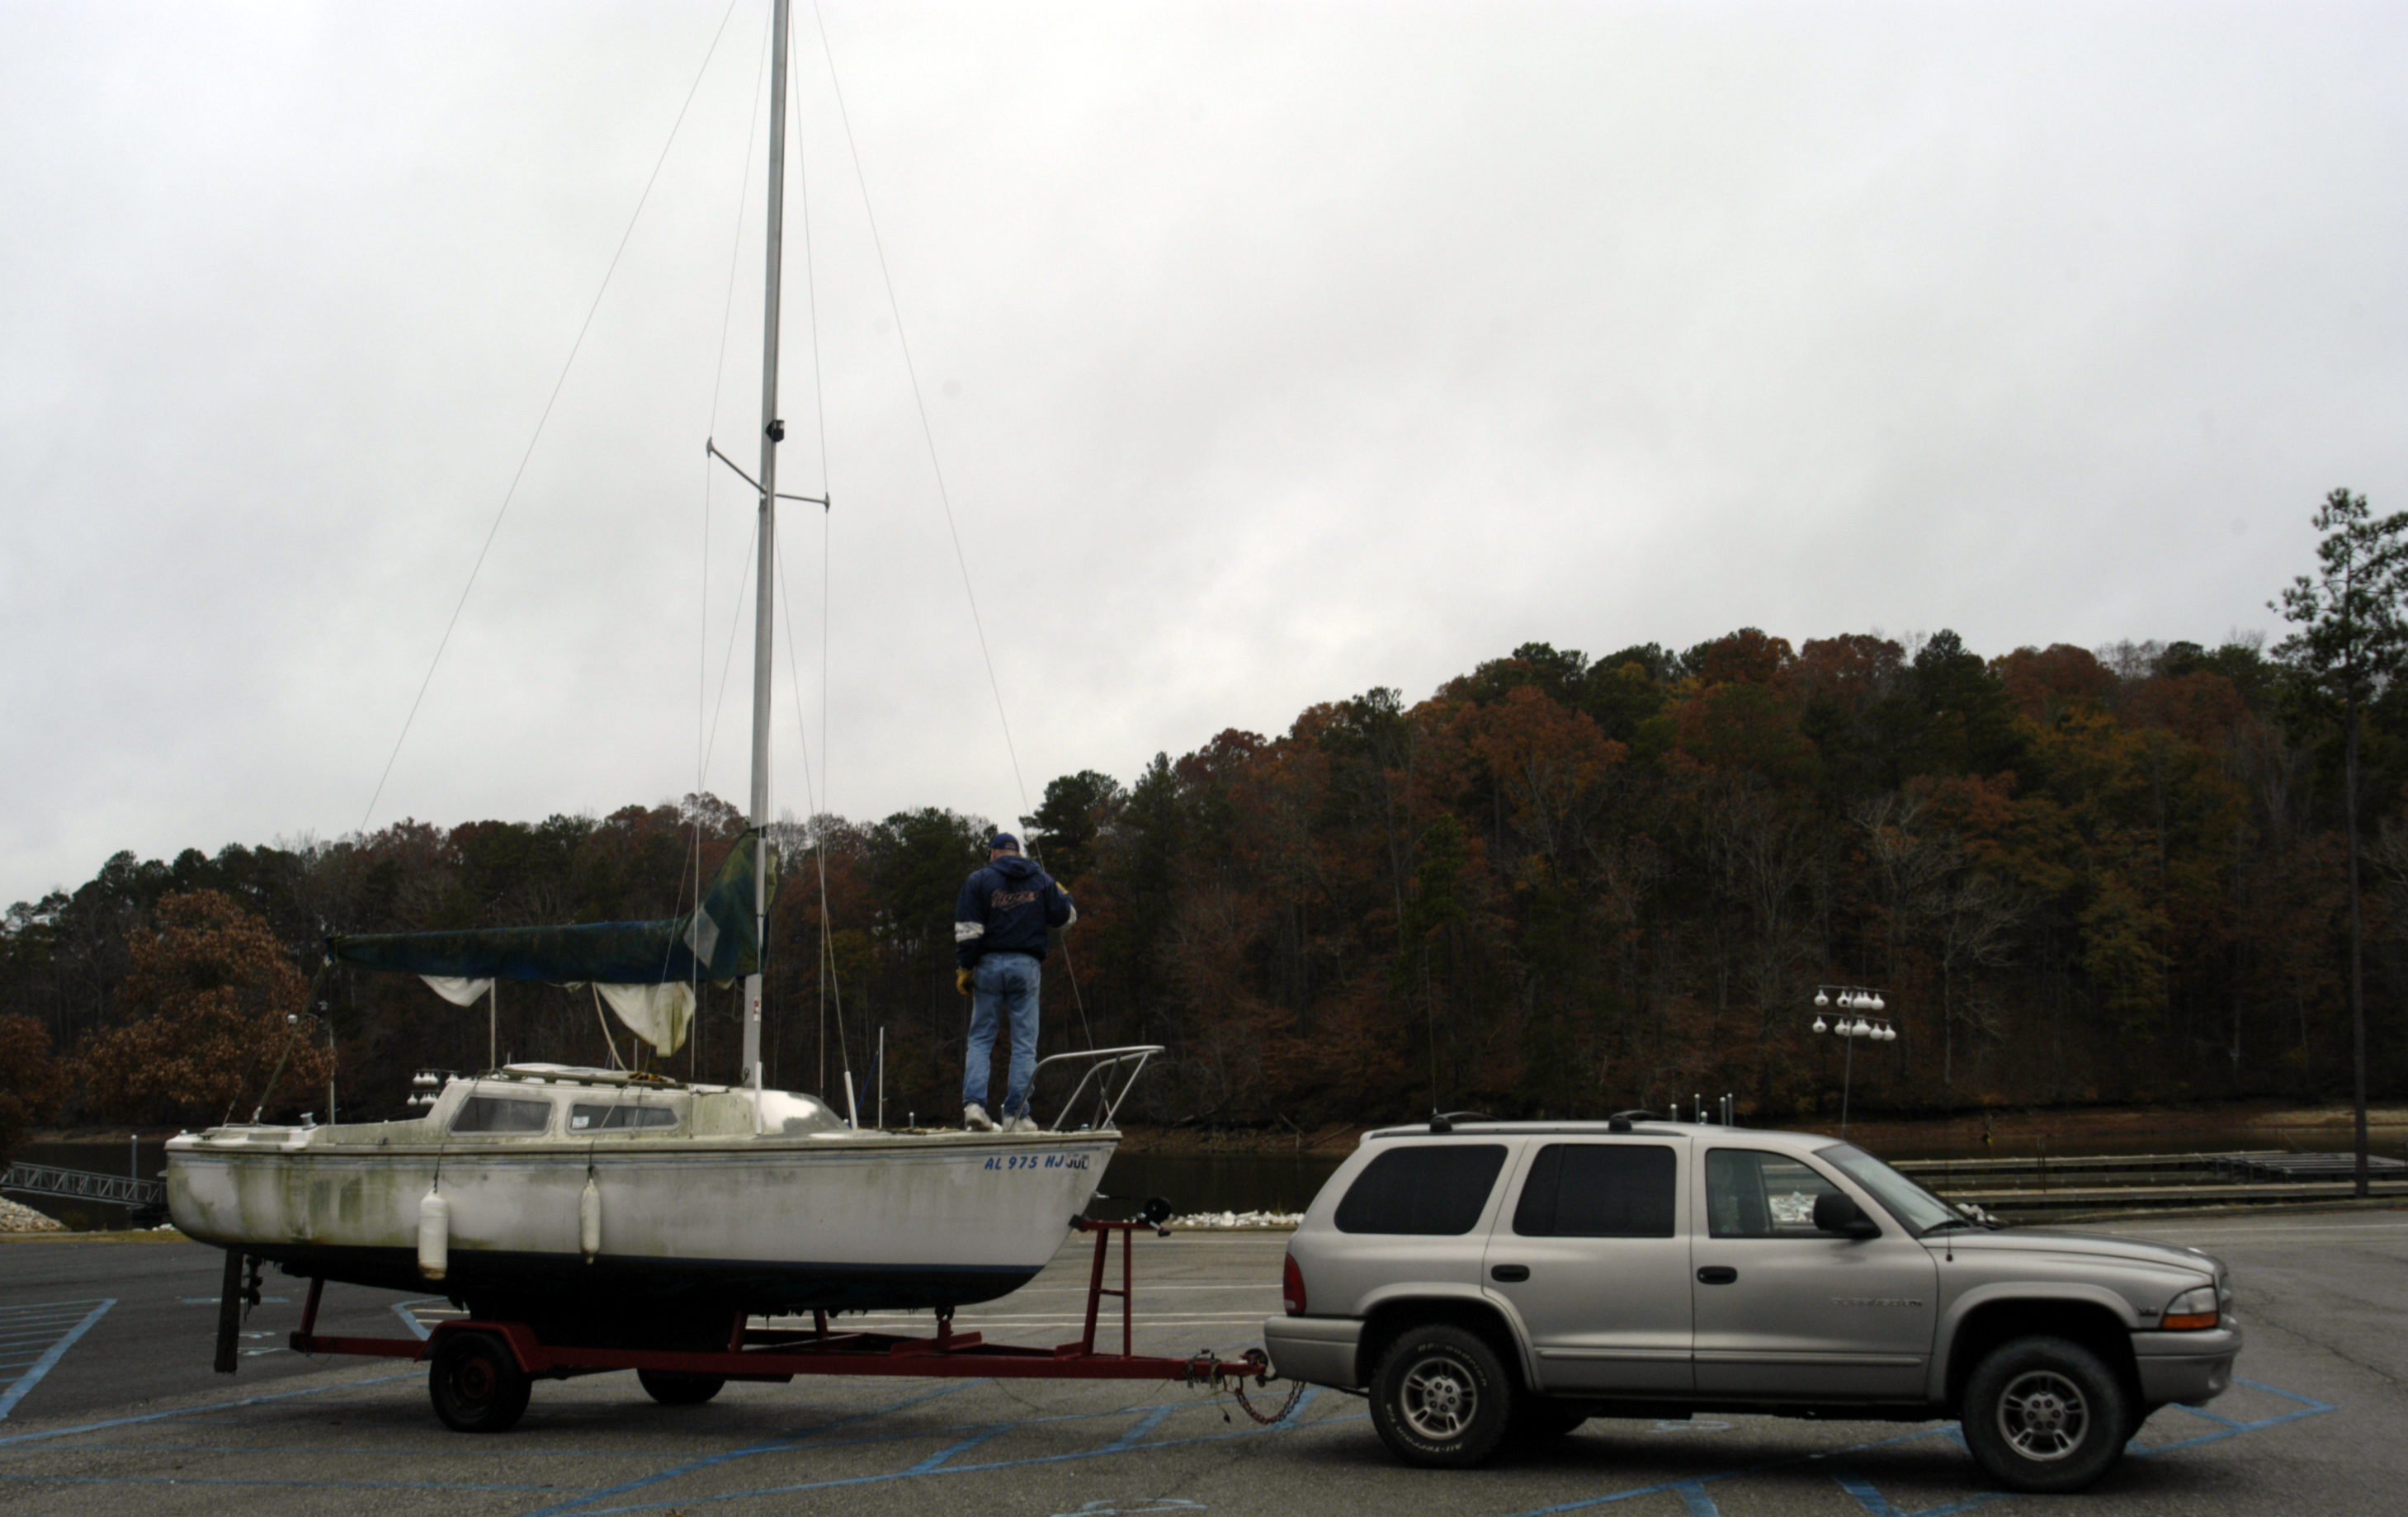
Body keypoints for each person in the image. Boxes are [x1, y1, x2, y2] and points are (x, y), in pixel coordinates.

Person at [954, 833, 1076, 1132]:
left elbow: (968, 932)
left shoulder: (978, 880)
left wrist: (965, 968)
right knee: (1024, 1044)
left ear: (994, 853)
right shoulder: (1042, 880)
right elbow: (1067, 919)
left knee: (981, 1038)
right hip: (1027, 966)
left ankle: (974, 1107)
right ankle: (1017, 1115)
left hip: (988, 965)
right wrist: (1064, 894)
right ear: (1017, 853)